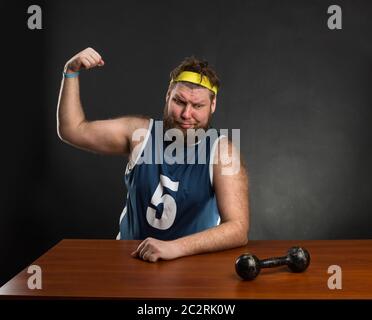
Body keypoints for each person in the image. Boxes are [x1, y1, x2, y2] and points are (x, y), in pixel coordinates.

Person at [57, 47, 249, 262]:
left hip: (192, 264)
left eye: (198, 105)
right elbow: (72, 130)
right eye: (179, 102)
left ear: (212, 105)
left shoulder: (222, 152)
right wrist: (70, 71)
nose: (187, 114)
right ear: (167, 96)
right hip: (130, 260)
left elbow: (238, 228)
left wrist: (174, 248)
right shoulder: (139, 134)